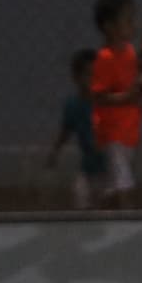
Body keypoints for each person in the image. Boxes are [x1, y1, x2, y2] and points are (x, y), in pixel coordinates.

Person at [90, 0, 142, 209]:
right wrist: (126, 97)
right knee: (125, 185)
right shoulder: (105, 58)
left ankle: (96, 208)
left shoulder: (129, 53)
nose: (133, 25)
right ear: (109, 27)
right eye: (127, 20)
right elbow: (99, 97)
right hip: (113, 132)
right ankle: (128, 223)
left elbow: (133, 90)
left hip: (129, 130)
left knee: (116, 184)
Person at [46, 48, 107, 209]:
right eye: (87, 74)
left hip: (109, 166)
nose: (92, 79)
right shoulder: (73, 105)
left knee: (106, 201)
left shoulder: (107, 102)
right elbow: (66, 130)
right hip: (88, 167)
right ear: (76, 77)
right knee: (80, 196)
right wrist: (55, 151)